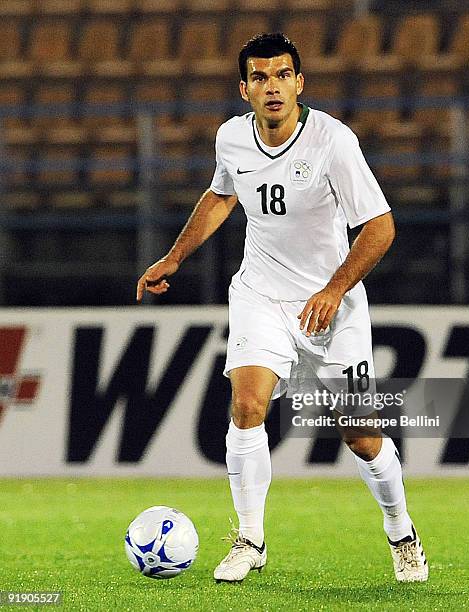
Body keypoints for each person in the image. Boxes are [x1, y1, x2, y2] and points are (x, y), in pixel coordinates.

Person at [137, 33, 428, 584]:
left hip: (331, 305)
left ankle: (402, 533)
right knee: (247, 405)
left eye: (282, 75)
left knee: (360, 435)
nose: (273, 87)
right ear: (244, 88)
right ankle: (250, 539)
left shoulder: (332, 142)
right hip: (261, 295)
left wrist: (334, 289)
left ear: (300, 83)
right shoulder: (231, 138)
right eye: (261, 78)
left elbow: (380, 227)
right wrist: (175, 255)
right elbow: (222, 195)